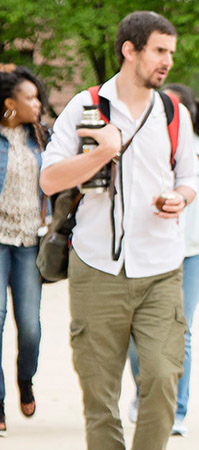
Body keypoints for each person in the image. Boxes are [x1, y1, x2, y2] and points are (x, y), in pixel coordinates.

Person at [39, 11, 197, 450]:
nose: (167, 62)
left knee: (164, 378)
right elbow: (49, 179)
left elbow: (190, 179)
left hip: (161, 269)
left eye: (171, 52)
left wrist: (179, 199)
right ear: (131, 50)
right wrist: (101, 152)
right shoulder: (84, 107)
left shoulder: (173, 112)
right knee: (99, 396)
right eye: (159, 51)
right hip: (95, 268)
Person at [127, 83, 199, 436]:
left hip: (193, 254)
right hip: (148, 251)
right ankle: (147, 397)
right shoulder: (142, 146)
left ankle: (176, 410)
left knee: (180, 330)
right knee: (135, 330)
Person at [0, 64, 49, 437]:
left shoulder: (42, 138)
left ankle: (24, 380)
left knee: (30, 328)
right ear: (9, 103)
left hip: (30, 244)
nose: (38, 103)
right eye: (30, 97)